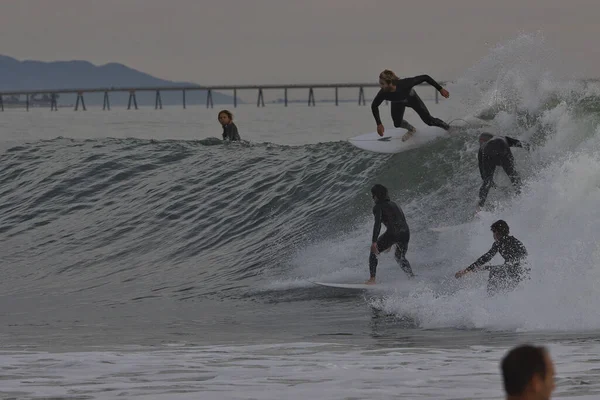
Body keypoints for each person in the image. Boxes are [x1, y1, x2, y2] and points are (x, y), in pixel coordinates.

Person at [371, 69, 450, 142]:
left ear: (390, 82)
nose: (380, 86)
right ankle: (411, 130)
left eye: (382, 83)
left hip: (411, 99)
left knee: (429, 121)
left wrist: (440, 89)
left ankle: (449, 128)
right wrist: (379, 124)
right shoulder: (383, 93)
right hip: (397, 103)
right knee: (397, 124)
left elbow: (425, 77)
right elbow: (374, 105)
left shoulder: (405, 83)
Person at [455, 220, 528, 296]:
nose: (493, 235)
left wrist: (468, 270)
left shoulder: (501, 243)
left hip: (517, 270)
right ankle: (500, 297)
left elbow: (486, 257)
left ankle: (490, 297)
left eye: (493, 232)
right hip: (523, 272)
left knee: (494, 272)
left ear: (497, 232)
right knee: (499, 274)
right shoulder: (513, 241)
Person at [366, 184, 414, 285]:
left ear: (376, 196)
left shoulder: (377, 207)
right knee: (399, 257)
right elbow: (400, 221)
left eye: (373, 195)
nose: (372, 197)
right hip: (405, 233)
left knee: (373, 253)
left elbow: (377, 224)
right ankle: (411, 277)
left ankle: (372, 279)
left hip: (393, 233)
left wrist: (374, 242)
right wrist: (391, 241)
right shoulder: (395, 204)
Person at [477, 132, 530, 212]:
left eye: (480, 141)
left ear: (483, 140)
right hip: (502, 147)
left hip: (489, 154)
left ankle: (479, 207)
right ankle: (522, 197)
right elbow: (520, 144)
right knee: (513, 176)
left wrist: (487, 180)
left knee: (487, 182)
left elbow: (482, 170)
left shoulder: (482, 148)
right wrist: (529, 148)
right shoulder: (502, 137)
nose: (480, 143)